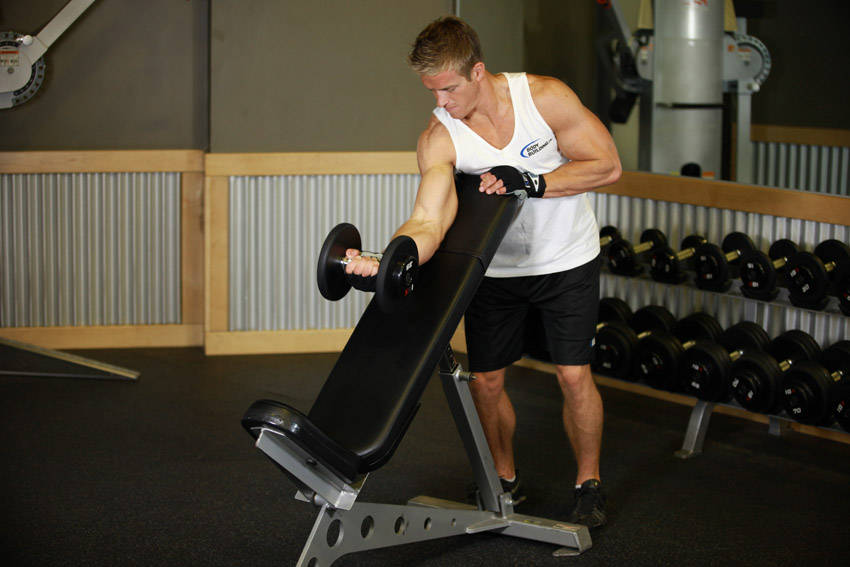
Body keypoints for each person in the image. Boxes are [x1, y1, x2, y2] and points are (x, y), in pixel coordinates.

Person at [345, 16, 621, 528]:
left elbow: (606, 165)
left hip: (566, 260)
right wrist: (392, 257)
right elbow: (430, 217)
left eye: (449, 89)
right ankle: (503, 477)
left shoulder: (545, 99)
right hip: (495, 273)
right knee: (486, 383)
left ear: (477, 71)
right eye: (432, 92)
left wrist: (533, 180)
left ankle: (588, 482)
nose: (441, 103)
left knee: (573, 374)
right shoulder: (440, 136)